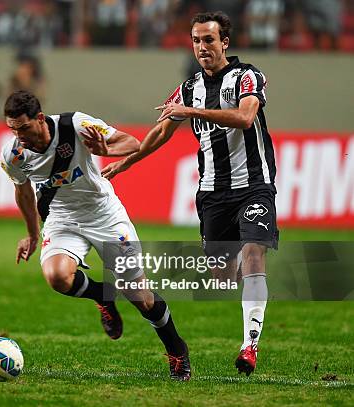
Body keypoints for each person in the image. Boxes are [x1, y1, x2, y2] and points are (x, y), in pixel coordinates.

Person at [102, 11, 278, 376]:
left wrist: (190, 111)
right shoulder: (188, 88)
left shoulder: (247, 76)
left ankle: (250, 346)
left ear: (225, 42)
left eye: (209, 40)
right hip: (213, 193)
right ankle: (244, 272)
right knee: (222, 277)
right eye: (197, 41)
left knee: (254, 255)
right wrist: (127, 162)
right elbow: (162, 131)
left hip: (254, 187)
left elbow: (245, 118)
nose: (202, 47)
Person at [0, 90, 191, 381]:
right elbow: (22, 192)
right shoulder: (13, 154)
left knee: (140, 297)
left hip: (104, 215)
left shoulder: (75, 125)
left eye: (24, 128)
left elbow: (132, 142)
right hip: (63, 220)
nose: (19, 136)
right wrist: (32, 234)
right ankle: (103, 294)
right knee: (57, 276)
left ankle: (176, 348)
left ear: (40, 118)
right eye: (13, 129)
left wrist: (107, 149)